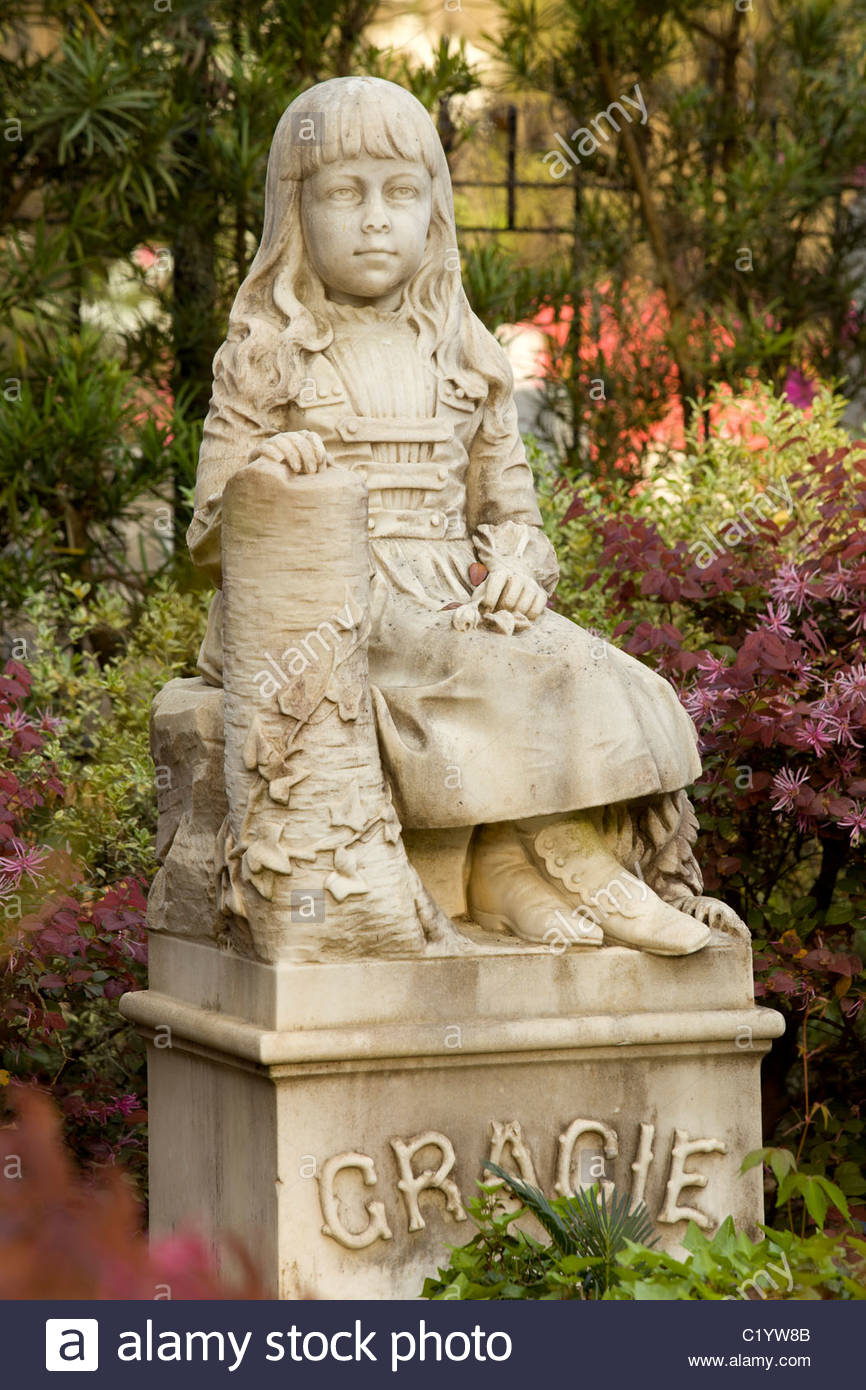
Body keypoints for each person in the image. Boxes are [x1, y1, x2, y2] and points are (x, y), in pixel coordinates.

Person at [188, 75, 726, 957]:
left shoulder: (464, 352)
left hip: (449, 590)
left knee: (597, 670)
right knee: (495, 670)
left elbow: (513, 510)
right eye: (343, 193)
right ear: (296, 211)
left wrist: (517, 564)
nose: (374, 219)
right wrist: (262, 477)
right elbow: (206, 538)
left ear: (433, 212)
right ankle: (549, 868)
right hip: (331, 604)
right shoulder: (265, 356)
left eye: (401, 194)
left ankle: (531, 866)